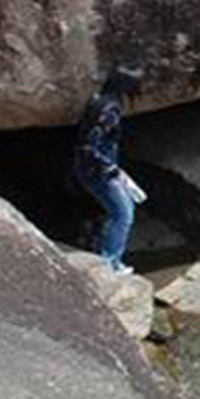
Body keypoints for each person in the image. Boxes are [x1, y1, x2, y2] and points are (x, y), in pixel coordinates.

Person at [72, 68, 143, 274]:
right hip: (98, 171)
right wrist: (110, 168)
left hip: (92, 168)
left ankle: (107, 255)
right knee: (124, 214)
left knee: (120, 209)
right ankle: (110, 261)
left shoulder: (99, 101)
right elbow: (89, 145)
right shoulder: (109, 109)